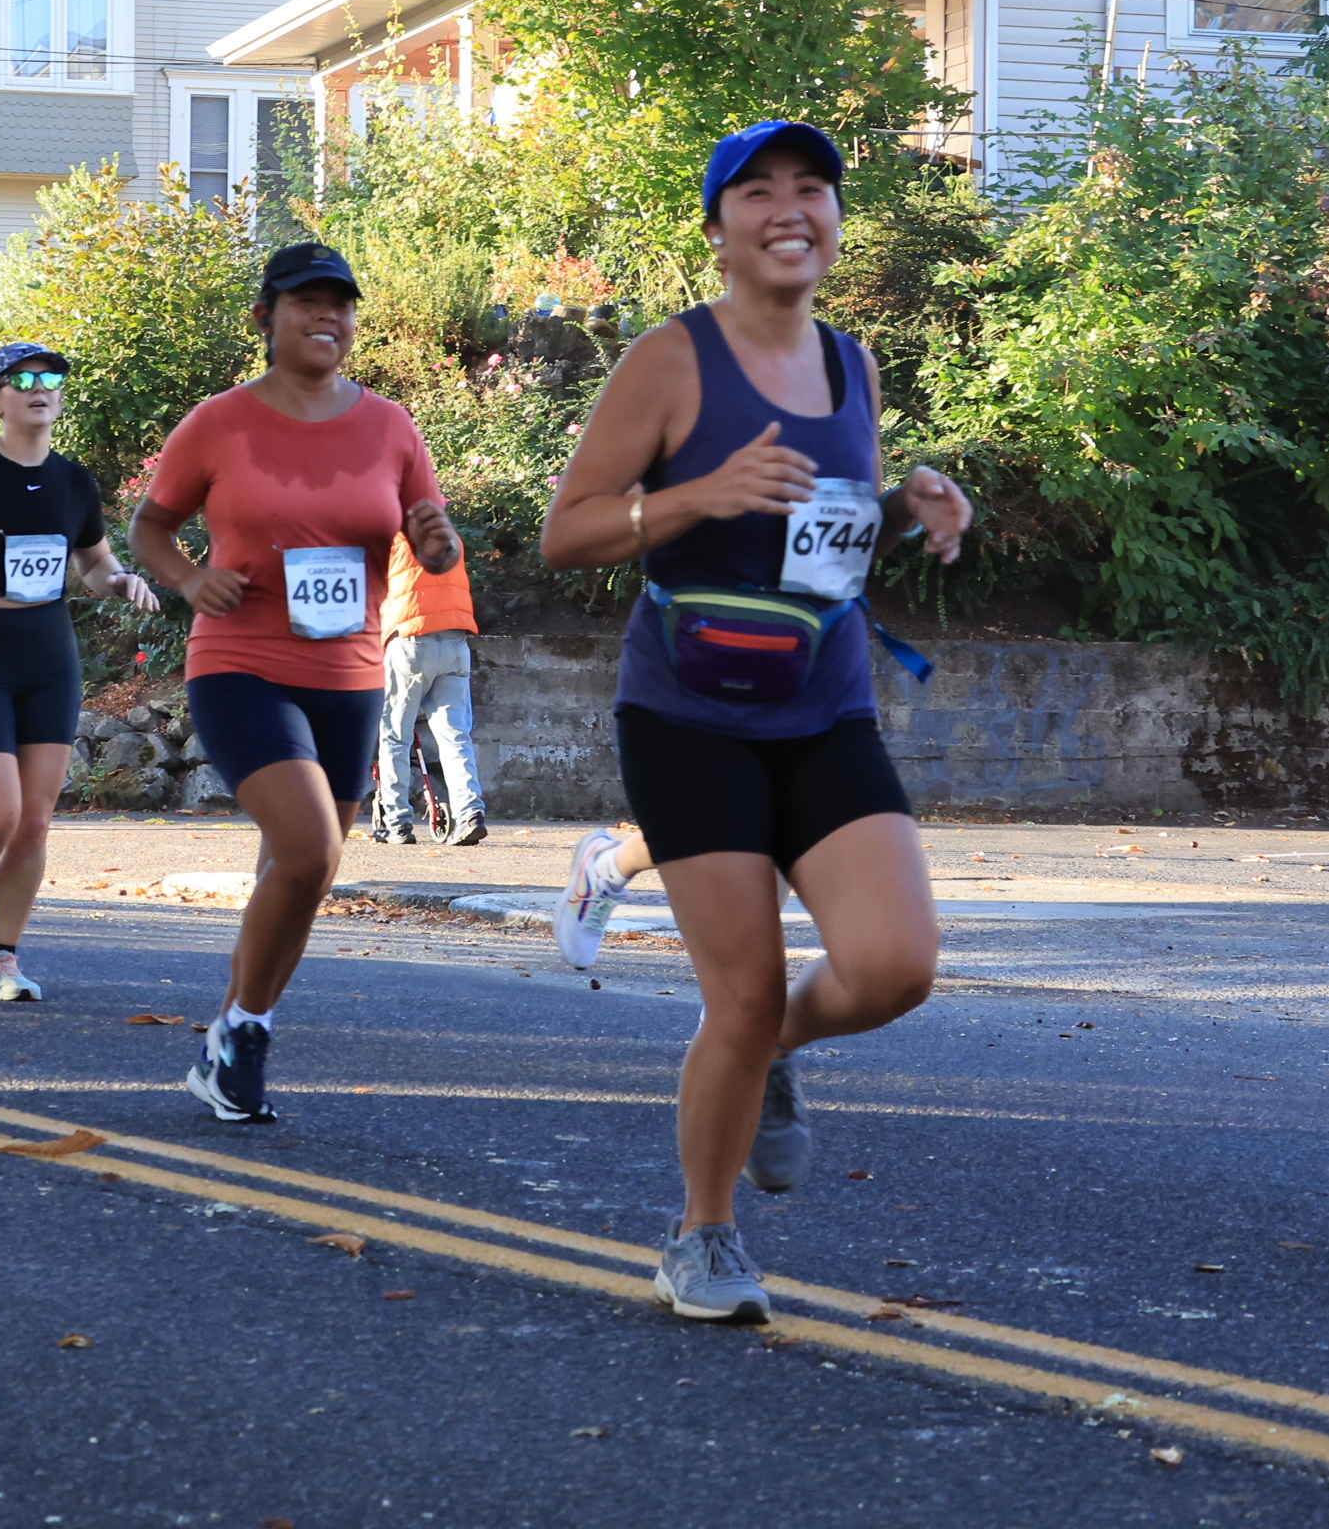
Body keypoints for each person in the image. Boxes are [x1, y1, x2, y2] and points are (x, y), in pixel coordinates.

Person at [536, 121, 971, 1326]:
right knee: (739, 988)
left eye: (812, 188)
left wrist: (909, 503)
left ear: (835, 218)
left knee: (896, 966)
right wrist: (695, 495)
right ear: (720, 228)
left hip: (824, 701)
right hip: (688, 715)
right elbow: (567, 532)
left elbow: (825, 528)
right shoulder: (670, 360)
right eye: (760, 190)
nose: (791, 207)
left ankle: (774, 1048)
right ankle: (702, 1233)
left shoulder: (852, 363)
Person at [131, 245, 460, 1120]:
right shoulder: (219, 423)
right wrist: (190, 579)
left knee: (299, 868)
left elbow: (431, 539)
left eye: (340, 304)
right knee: (311, 848)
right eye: (307, 301)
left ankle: (232, 1039)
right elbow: (150, 526)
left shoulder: (390, 426)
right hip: (241, 664)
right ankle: (246, 1029)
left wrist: (438, 545)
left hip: (349, 675)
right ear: (266, 318)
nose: (327, 316)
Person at [0, 342, 159, 1001]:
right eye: (22, 380)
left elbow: (93, 562)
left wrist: (120, 580)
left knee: (35, 820)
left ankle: (2, 960)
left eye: (50, 378)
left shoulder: (74, 481)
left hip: (48, 652)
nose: (40, 387)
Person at [374, 532, 487, 846]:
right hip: (455, 641)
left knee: (395, 736)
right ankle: (470, 813)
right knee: (455, 736)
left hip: (410, 640)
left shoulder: (393, 537)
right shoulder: (451, 537)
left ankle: (397, 823)